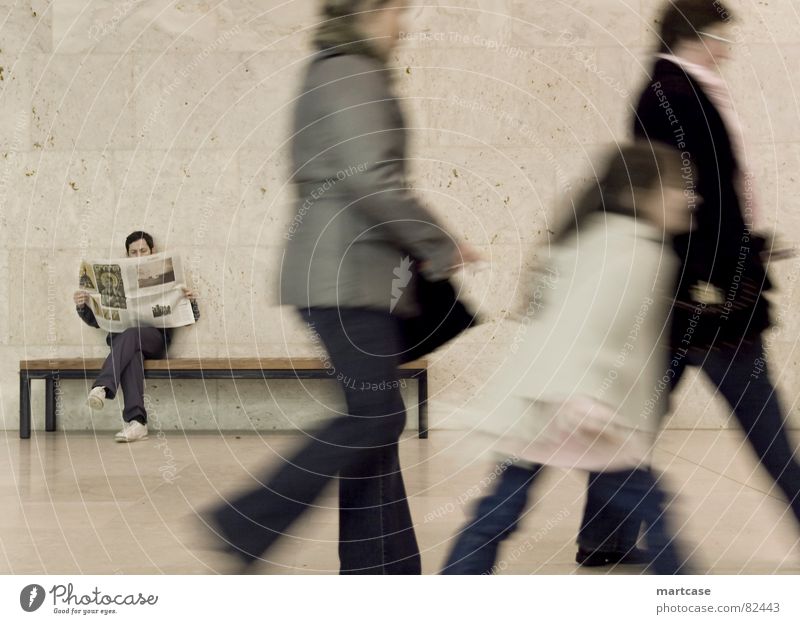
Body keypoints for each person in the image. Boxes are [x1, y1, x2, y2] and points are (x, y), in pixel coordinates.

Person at [207, 0, 478, 574]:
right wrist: (438, 241)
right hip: (346, 277)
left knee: (375, 420)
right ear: (368, 11)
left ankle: (383, 574)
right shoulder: (350, 71)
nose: (402, 24)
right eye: (397, 10)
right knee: (375, 417)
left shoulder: (332, 68)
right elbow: (369, 176)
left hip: (345, 274)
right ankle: (248, 519)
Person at [577, 0, 800, 566]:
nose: (727, 49)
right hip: (706, 295)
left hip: (689, 290)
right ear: (696, 36)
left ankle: (603, 536)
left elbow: (710, 192)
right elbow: (682, 195)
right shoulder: (672, 95)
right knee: (764, 422)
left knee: (634, 417)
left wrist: (747, 243)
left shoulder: (678, 90)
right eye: (720, 36)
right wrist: (719, 268)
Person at [441, 143, 693, 575]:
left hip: (539, 403)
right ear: (644, 192)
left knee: (498, 511)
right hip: (586, 410)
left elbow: (548, 323)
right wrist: (589, 399)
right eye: (678, 187)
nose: (691, 198)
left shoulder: (579, 240)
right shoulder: (640, 252)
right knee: (654, 510)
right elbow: (594, 328)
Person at [74, 231, 199, 443]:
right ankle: (137, 423)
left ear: (152, 251)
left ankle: (103, 386)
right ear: (127, 254)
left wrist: (190, 301)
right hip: (124, 344)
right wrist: (82, 306)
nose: (138, 255)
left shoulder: (167, 279)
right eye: (133, 252)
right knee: (133, 355)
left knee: (132, 336)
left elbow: (188, 318)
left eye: (143, 250)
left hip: (155, 340)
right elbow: (98, 321)